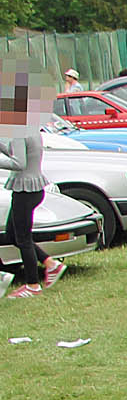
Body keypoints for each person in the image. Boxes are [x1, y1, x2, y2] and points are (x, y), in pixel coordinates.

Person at [1, 123, 60, 296]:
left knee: (23, 239)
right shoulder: (30, 129)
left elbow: (18, 162)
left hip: (25, 191)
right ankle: (50, 264)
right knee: (12, 235)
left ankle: (32, 285)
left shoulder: (19, 133)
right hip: (34, 189)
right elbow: (17, 153)